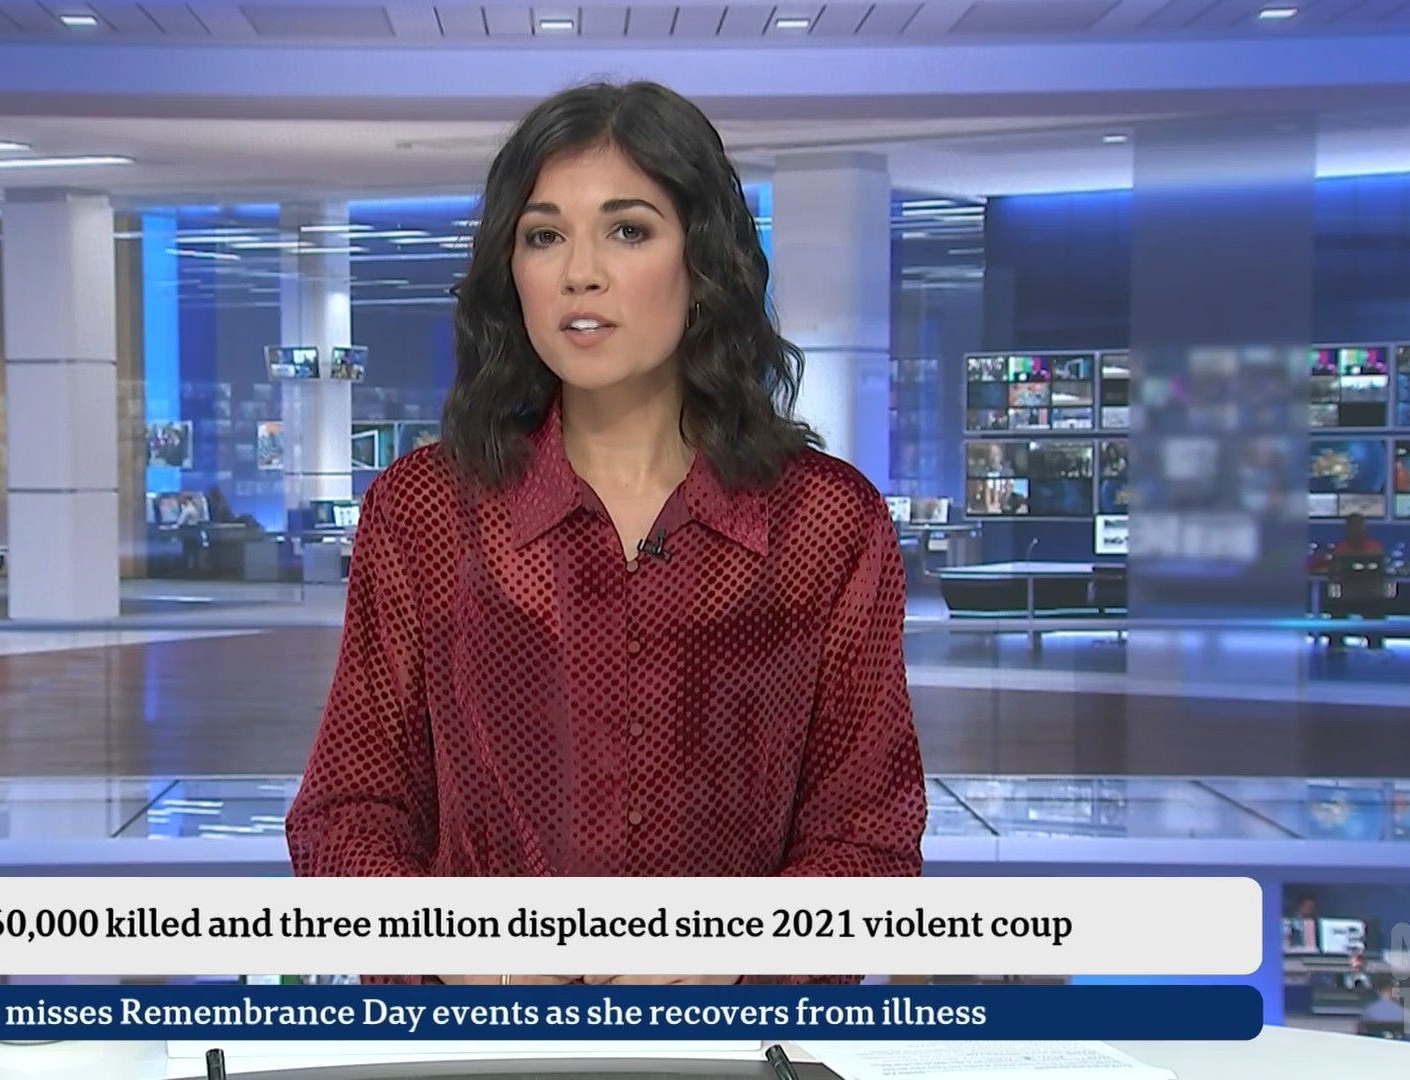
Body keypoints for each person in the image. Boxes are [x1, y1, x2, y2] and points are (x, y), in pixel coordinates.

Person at [284, 81, 927, 987]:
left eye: (628, 230)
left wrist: (736, 950)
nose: (579, 273)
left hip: (733, 1039)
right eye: (544, 236)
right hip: (483, 1036)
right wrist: (451, 945)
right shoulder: (427, 509)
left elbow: (870, 844)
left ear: (704, 259)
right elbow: (345, 817)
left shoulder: (825, 521)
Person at [1326, 513, 1386, 652]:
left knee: (1373, 610)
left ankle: (1374, 646)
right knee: (1337, 608)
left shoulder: (1373, 547)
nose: (1356, 530)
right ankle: (1337, 646)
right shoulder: (1341, 549)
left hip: (1365, 597)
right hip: (1351, 597)